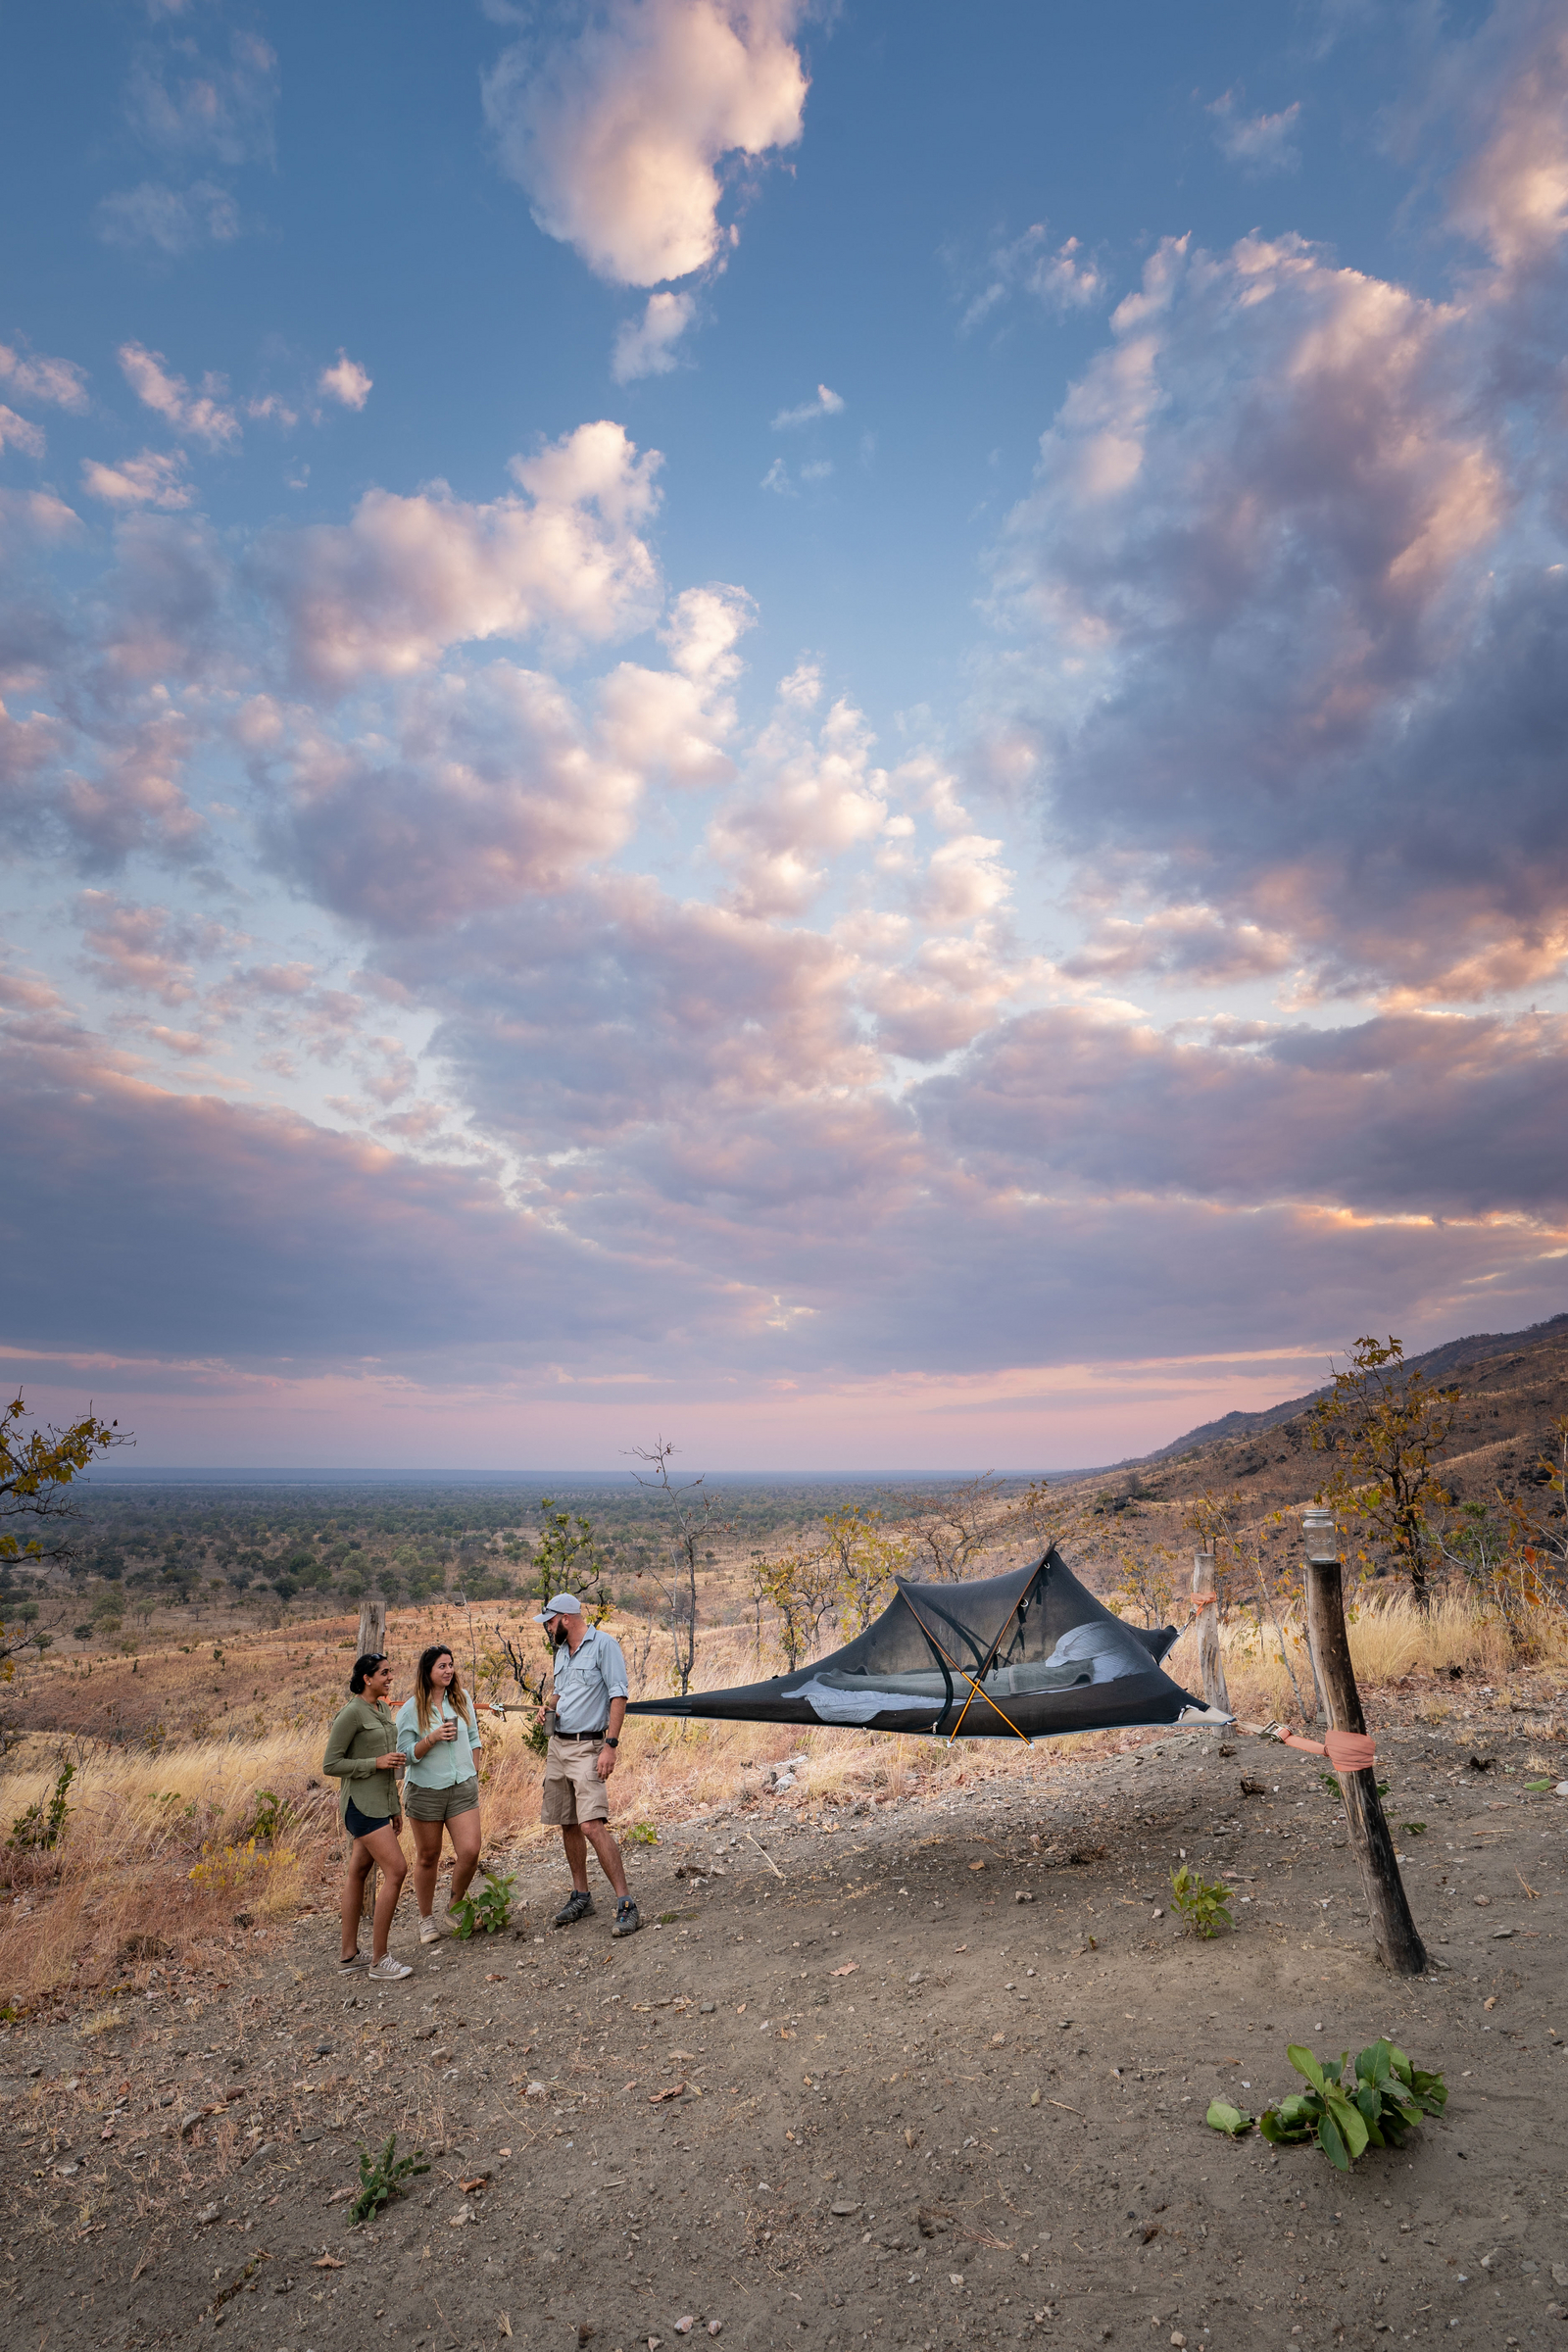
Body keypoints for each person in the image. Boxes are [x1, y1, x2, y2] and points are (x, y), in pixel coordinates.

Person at [537, 1592, 638, 1937]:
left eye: (550, 1622)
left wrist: (610, 1745)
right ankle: (581, 1895)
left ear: (565, 1618)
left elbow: (618, 1694)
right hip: (558, 1747)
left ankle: (625, 1902)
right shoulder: (561, 1653)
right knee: (567, 1822)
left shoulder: (604, 1645)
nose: (548, 1629)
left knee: (591, 1824)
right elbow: (558, 1691)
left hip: (589, 1746)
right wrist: (546, 1708)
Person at [322, 1653, 413, 1981]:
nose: (390, 1677)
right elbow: (331, 1764)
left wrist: (395, 1807)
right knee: (397, 1869)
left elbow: (391, 1763)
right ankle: (379, 1960)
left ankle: (348, 1956)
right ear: (367, 1678)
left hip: (380, 1804)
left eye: (390, 1671)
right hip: (360, 1806)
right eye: (384, 1673)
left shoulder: (382, 1708)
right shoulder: (351, 1713)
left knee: (358, 1870)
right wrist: (372, 1763)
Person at [397, 1643, 485, 1945]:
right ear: (427, 1672)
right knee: (428, 1857)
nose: (448, 1671)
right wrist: (432, 1738)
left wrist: (474, 1770)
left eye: (450, 1665)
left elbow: (474, 1738)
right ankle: (426, 1919)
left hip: (462, 1786)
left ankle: (453, 1908)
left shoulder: (460, 1700)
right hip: (426, 1790)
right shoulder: (410, 1710)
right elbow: (404, 1755)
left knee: (471, 1851)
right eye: (442, 1667)